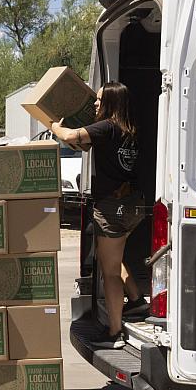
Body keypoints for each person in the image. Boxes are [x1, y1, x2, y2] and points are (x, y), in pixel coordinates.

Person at [51, 82, 148, 349]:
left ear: (111, 103)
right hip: (132, 206)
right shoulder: (130, 130)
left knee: (110, 273)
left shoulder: (106, 126)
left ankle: (114, 332)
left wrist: (54, 127)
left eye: (99, 99)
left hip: (111, 207)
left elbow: (70, 137)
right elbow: (90, 146)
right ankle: (137, 301)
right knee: (115, 256)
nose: (95, 103)